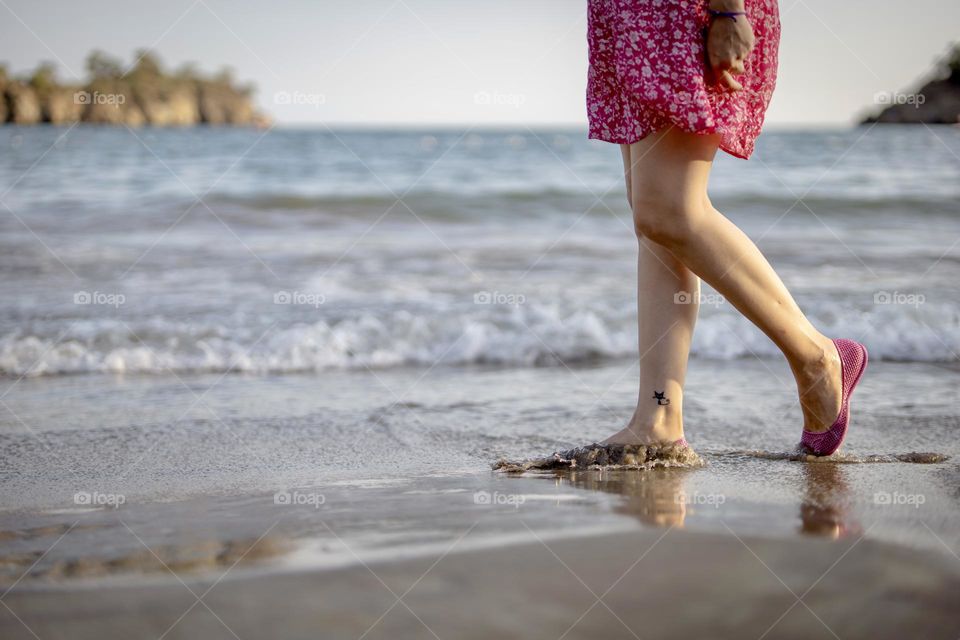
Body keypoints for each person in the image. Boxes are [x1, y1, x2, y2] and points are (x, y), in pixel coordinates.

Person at [586, 0, 867, 456]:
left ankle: (818, 357)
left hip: (683, 12)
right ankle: (659, 416)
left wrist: (729, 11)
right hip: (629, 15)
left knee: (670, 210)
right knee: (654, 219)